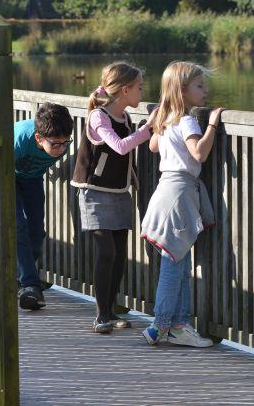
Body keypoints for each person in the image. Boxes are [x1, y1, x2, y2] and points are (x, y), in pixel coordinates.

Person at [140, 61, 224, 347]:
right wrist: (211, 124)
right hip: (179, 194)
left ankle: (179, 325)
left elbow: (152, 146)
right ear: (184, 90)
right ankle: (159, 325)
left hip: (166, 190)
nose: (205, 90)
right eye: (200, 86)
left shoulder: (166, 119)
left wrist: (156, 124)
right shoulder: (187, 120)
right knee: (174, 263)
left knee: (179, 258)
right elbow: (198, 154)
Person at [71, 62, 155, 333]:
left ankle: (110, 309)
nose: (142, 92)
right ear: (126, 89)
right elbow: (120, 147)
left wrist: (142, 130)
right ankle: (100, 316)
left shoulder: (126, 118)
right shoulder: (99, 117)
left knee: (119, 255)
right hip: (94, 192)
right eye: (139, 88)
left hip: (120, 193)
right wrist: (147, 131)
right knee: (105, 252)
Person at [14, 102, 74, 310]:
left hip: (32, 179)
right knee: (18, 227)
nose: (61, 149)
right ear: (38, 138)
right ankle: (30, 285)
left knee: (37, 232)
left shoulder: (60, 142)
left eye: (66, 143)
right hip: (7, 176)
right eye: (56, 144)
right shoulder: (21, 140)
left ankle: (22, 278)